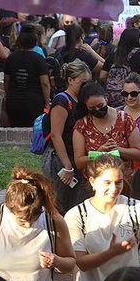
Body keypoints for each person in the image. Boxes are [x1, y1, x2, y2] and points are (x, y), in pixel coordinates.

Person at [41, 60, 91, 214]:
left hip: (74, 157)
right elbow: (56, 135)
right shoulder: (62, 101)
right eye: (83, 82)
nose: (86, 86)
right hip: (60, 159)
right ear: (70, 80)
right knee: (59, 204)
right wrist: (67, 166)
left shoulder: (80, 100)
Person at [72, 82, 140, 184]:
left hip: (123, 182)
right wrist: (98, 154)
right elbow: (79, 162)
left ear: (106, 98)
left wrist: (118, 150)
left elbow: (138, 154)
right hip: (96, 184)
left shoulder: (125, 119)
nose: (97, 110)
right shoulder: (82, 125)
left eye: (100, 105)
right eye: (92, 108)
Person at [3, 28, 51, 127]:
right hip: (34, 102)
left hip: (13, 100)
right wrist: (47, 103)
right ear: (35, 42)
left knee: (15, 131)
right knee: (33, 131)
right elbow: (45, 83)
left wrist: (9, 95)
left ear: (19, 42)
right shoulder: (39, 59)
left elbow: (7, 80)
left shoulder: (11, 58)